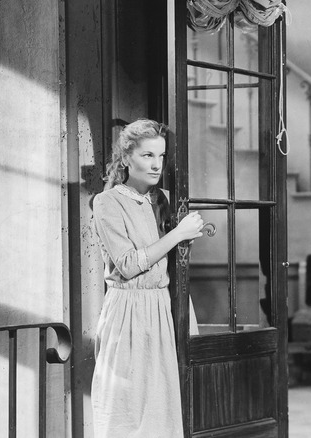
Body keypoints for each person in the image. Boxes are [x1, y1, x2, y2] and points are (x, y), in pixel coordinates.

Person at [91, 119, 205, 437]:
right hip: (127, 311)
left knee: (164, 407)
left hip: (162, 307)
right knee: (127, 408)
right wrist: (177, 234)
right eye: (147, 156)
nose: (156, 165)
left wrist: (185, 236)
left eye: (161, 156)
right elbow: (127, 264)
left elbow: (169, 259)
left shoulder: (166, 199)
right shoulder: (107, 202)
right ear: (127, 158)